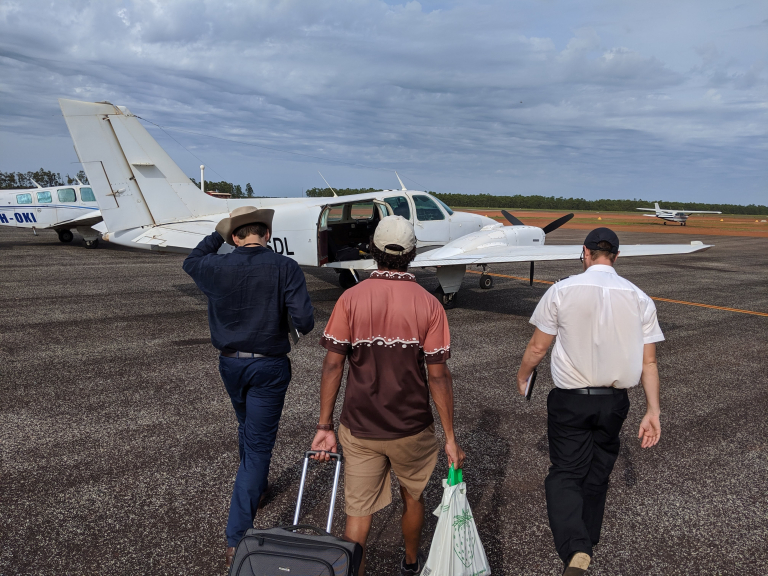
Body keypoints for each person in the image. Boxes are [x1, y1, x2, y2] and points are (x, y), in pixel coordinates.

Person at [310, 215, 465, 576]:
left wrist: (324, 425)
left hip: (360, 427)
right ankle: (410, 562)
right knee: (413, 497)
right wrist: (450, 437)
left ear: (373, 250)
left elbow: (333, 366)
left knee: (357, 516)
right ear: (412, 254)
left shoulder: (350, 298)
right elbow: (438, 376)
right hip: (412, 428)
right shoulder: (429, 304)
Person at [516, 227, 663, 576]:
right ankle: (587, 544)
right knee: (597, 474)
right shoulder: (640, 297)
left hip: (571, 400)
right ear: (616, 256)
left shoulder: (561, 290)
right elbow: (649, 363)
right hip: (615, 402)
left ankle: (576, 549)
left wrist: (523, 375)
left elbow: (538, 347)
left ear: (585, 252)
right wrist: (653, 410)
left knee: (565, 474)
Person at [182, 206, 315, 568]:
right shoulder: (285, 267)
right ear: (267, 234)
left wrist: (217, 234)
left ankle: (258, 488)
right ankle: (237, 536)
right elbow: (305, 320)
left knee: (246, 427)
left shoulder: (214, 265)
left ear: (234, 237)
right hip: (269, 365)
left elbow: (191, 260)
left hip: (230, 363)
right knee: (257, 448)